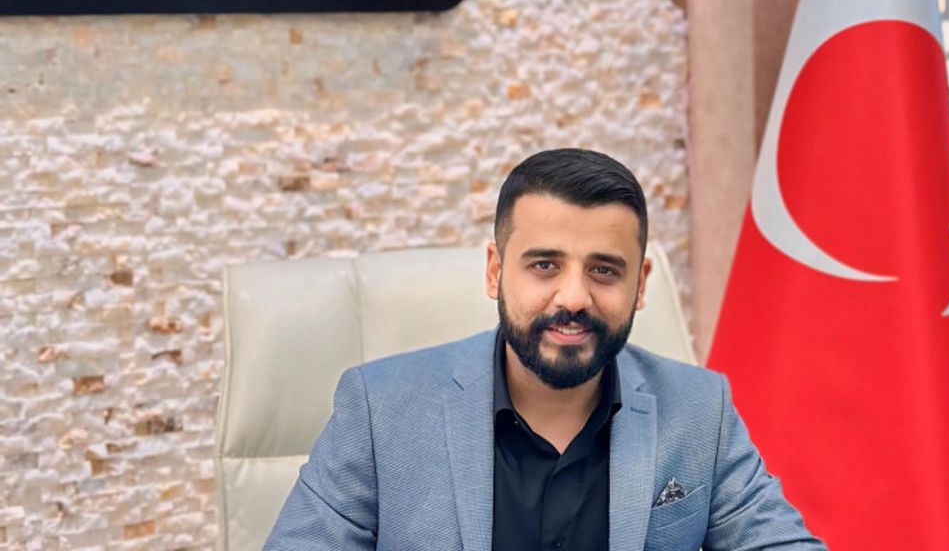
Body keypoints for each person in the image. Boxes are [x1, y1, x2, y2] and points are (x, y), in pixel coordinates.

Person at [265, 148, 824, 550]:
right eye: (545, 265)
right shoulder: (379, 409)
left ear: (640, 284)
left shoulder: (700, 411)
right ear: (495, 271)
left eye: (604, 271)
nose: (574, 297)